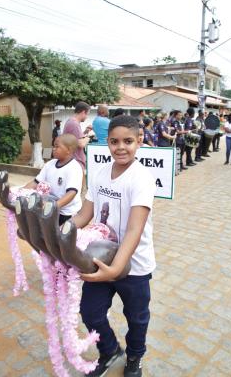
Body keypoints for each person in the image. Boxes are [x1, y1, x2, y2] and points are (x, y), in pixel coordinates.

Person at [73, 115, 156, 377]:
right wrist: (58, 231)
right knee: (90, 311)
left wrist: (117, 268)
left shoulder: (141, 177)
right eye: (114, 141)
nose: (121, 147)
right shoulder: (99, 173)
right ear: (107, 142)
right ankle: (109, 351)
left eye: (128, 141)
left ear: (139, 141)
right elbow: (84, 215)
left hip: (134, 266)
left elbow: (134, 229)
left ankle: (134, 356)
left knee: (137, 317)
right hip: (100, 259)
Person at [24, 134, 83, 225]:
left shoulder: (74, 168)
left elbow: (71, 193)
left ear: (69, 150)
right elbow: (36, 182)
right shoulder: (50, 164)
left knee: (60, 237)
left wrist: (53, 206)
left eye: (57, 146)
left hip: (66, 213)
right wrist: (21, 192)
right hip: (49, 207)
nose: (53, 149)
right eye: (53, 146)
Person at [63, 101, 90, 170]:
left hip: (73, 162)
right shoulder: (74, 124)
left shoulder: (71, 121)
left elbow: (75, 139)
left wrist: (85, 132)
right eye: (87, 114)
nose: (87, 117)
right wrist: (89, 136)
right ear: (83, 112)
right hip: (75, 163)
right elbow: (81, 144)